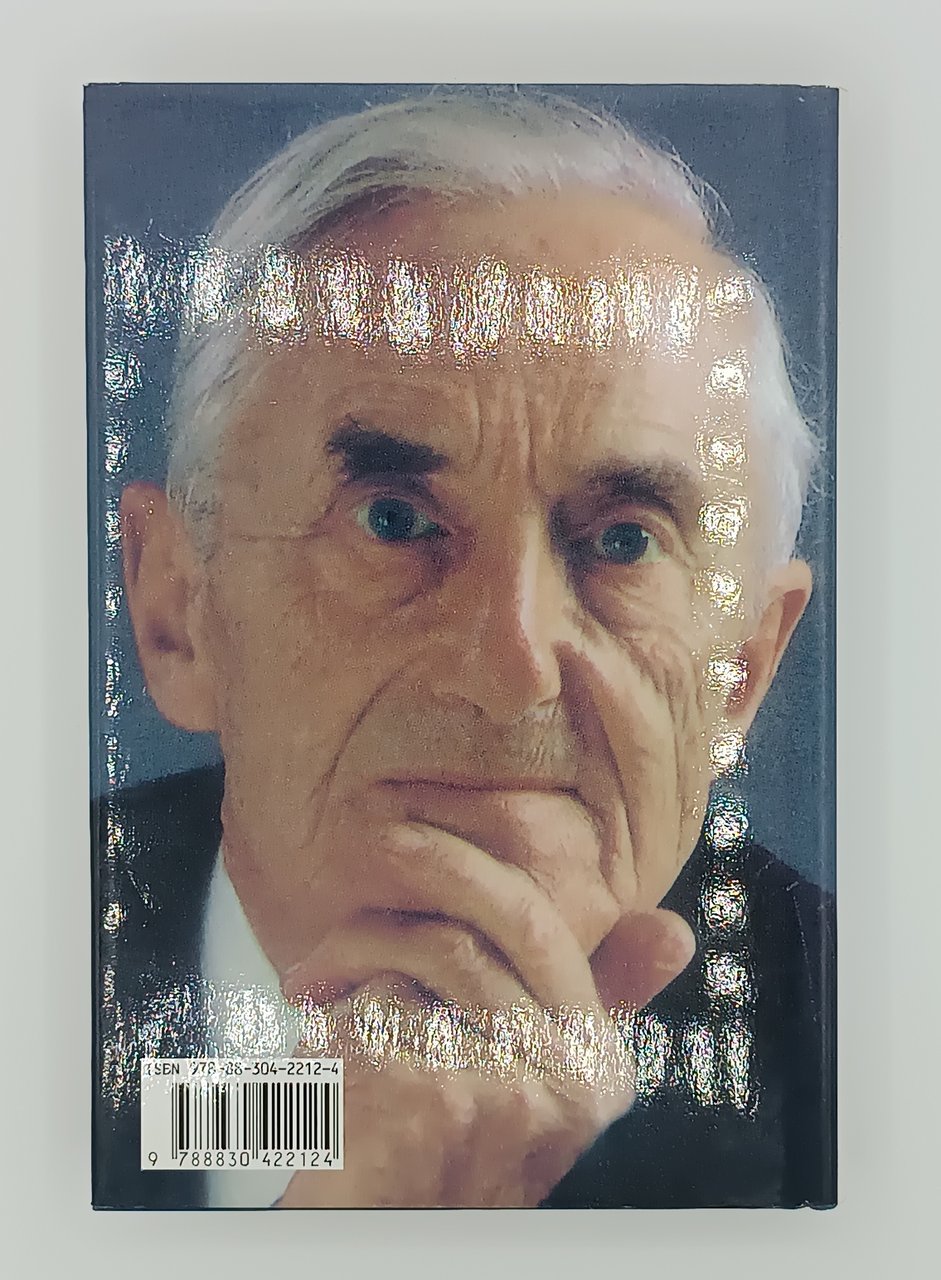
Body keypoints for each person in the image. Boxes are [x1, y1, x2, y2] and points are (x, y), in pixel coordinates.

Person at [94, 89, 834, 1210]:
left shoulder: (863, 1070)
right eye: (393, 521)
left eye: (622, 542)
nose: (508, 671)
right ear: (176, 610)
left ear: (739, 674)